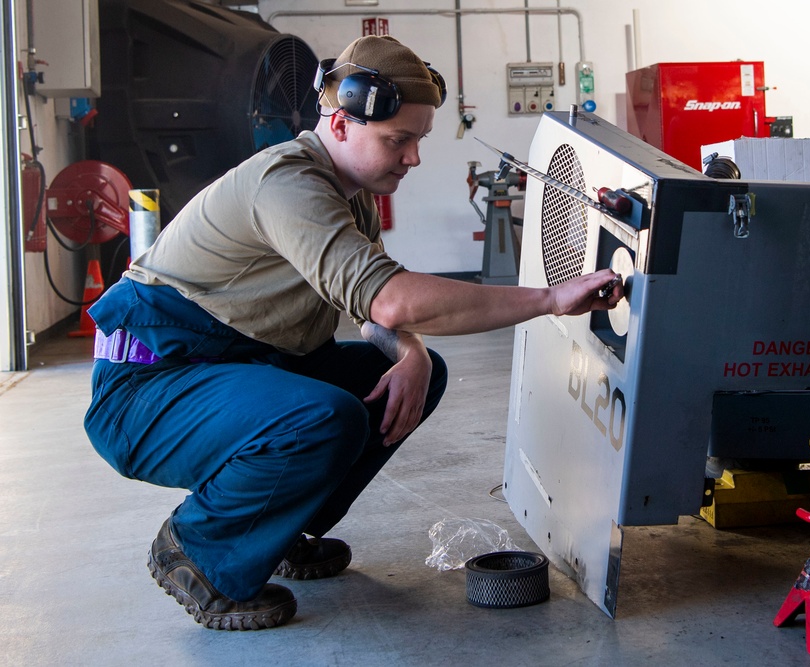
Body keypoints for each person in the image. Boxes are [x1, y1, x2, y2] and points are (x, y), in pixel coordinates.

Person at [83, 34, 623, 631]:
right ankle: (199, 551)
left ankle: (275, 532)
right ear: (339, 124)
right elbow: (393, 300)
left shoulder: (350, 195)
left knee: (410, 374)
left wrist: (413, 352)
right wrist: (549, 299)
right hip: (149, 390)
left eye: (418, 139)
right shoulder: (287, 183)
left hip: (234, 367)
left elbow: (373, 307)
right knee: (324, 417)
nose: (413, 157)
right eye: (399, 140)